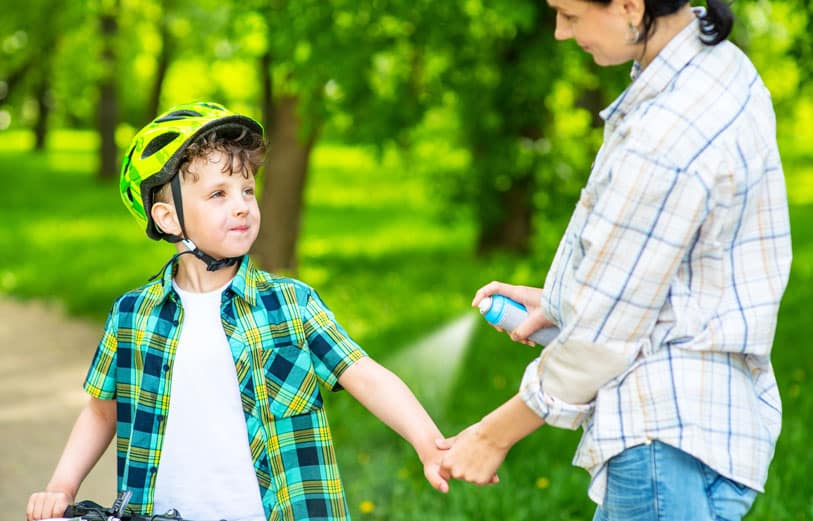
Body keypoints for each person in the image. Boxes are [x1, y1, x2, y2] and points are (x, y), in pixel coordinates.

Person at [436, 0, 792, 519]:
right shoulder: (719, 69)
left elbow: (603, 334)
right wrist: (561, 301)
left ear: (630, 6)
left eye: (570, 15)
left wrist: (492, 436)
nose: (559, 32)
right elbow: (670, 262)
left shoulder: (669, 131)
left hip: (658, 435)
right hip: (710, 420)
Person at [26, 102, 449, 521]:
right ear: (168, 218)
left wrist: (427, 441)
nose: (242, 205)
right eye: (218, 194)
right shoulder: (132, 314)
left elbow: (366, 376)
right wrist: (62, 487)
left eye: (247, 190)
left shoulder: (291, 304)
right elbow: (103, 411)